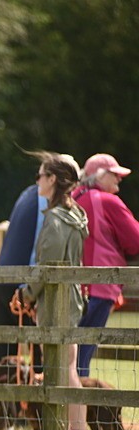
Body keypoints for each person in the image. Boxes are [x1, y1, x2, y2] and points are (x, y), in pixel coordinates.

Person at [17, 152, 90, 430]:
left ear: (54, 180)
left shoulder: (57, 220)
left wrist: (25, 295)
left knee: (63, 368)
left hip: (58, 301)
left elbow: (48, 268)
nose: (37, 180)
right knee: (66, 366)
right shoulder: (73, 215)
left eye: (41, 175)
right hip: (69, 298)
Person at [72, 153, 139, 378]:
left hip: (73, 288)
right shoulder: (107, 201)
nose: (119, 180)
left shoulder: (73, 198)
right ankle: (78, 410)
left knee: (69, 352)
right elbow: (135, 241)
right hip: (99, 288)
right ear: (99, 176)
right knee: (83, 354)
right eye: (115, 174)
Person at [0, 183, 46, 370]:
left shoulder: (28, 192)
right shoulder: (47, 199)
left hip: (1, 278)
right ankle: (41, 398)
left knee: (3, 350)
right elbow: (40, 244)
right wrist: (29, 289)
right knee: (41, 351)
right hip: (20, 282)